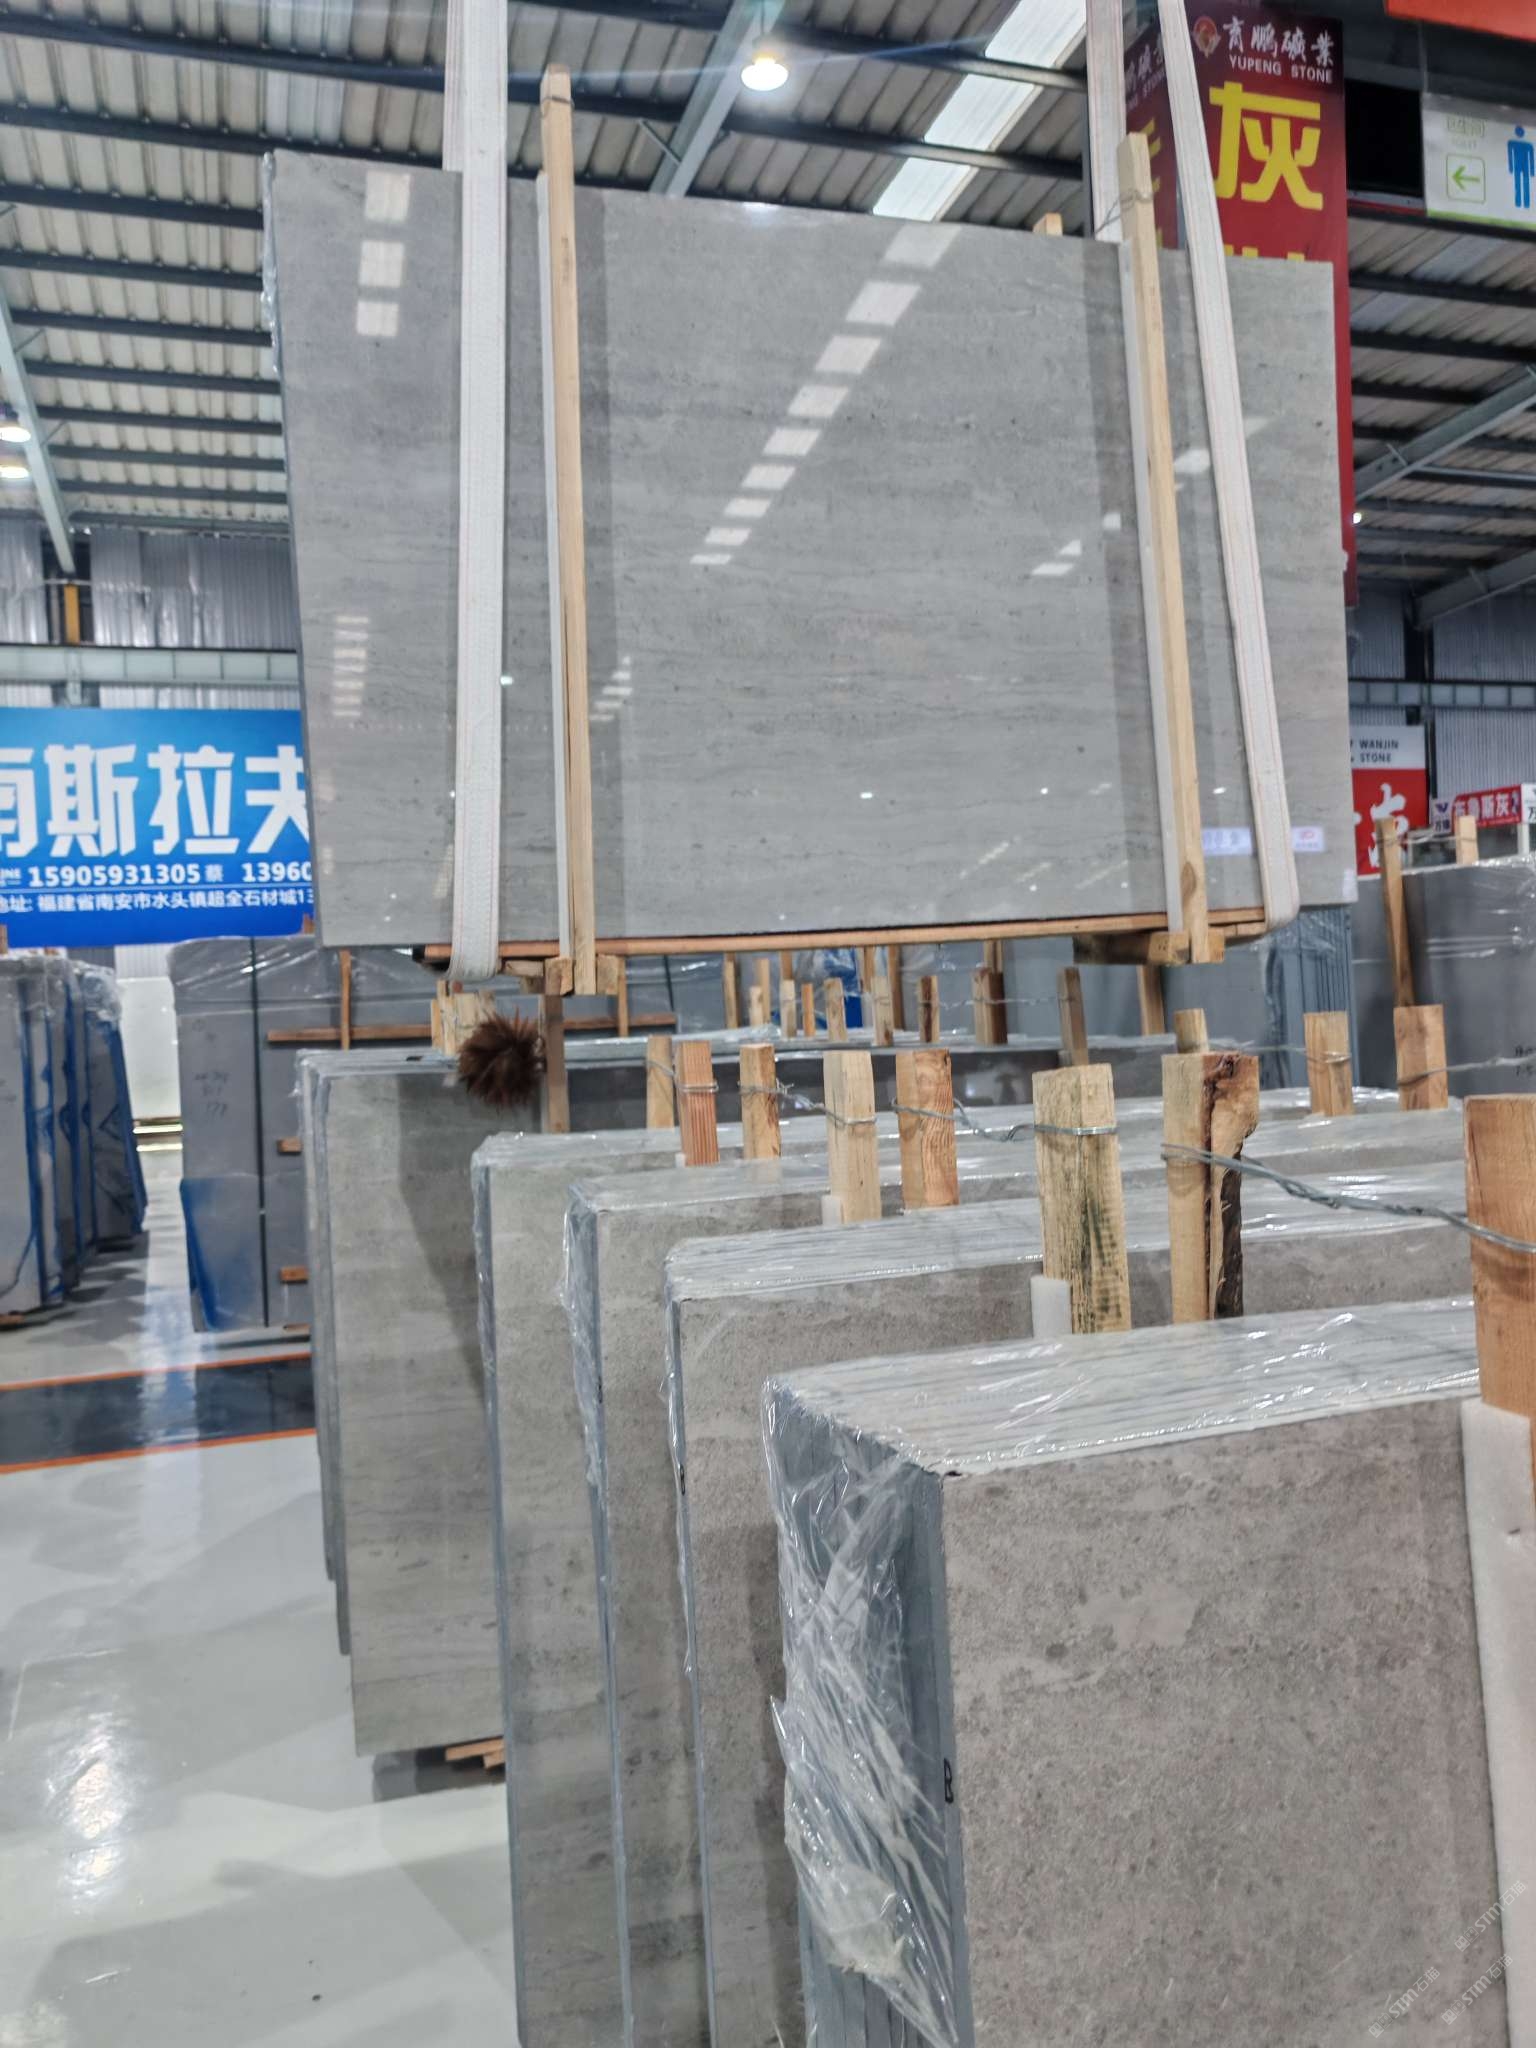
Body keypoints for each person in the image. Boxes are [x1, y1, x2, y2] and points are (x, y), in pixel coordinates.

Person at [1510, 124, 1535, 211]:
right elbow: (1510, 155)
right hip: (1521, 167)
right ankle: (1521, 202)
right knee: (1520, 184)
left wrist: (1532, 170)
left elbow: (1531, 157)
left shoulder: (1526, 145)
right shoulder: (1514, 143)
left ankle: (1523, 202)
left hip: (1522, 167)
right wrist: (1511, 167)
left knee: (1522, 184)